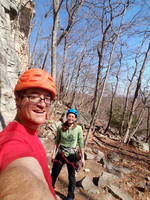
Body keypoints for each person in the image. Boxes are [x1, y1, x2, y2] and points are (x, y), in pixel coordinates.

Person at [0, 68, 57, 200]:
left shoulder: (31, 133)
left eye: (47, 98)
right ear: (18, 100)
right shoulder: (12, 139)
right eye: (34, 96)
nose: (42, 104)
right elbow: (22, 174)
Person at [51, 108, 85, 200]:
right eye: (69, 116)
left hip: (72, 154)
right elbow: (57, 141)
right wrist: (53, 153)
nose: (71, 118)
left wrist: (82, 158)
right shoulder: (61, 127)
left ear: (75, 118)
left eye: (73, 117)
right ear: (67, 117)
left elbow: (81, 142)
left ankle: (70, 196)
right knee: (54, 172)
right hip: (61, 152)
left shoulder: (78, 128)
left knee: (71, 176)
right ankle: (50, 188)